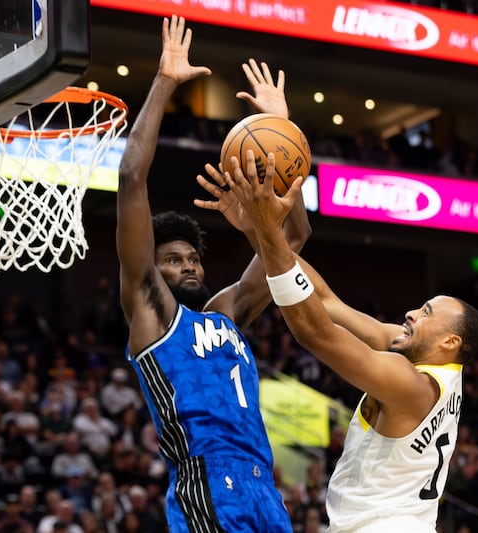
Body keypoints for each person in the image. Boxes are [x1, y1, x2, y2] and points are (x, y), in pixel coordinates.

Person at [221, 150, 478, 532]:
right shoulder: (436, 365)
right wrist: (258, 230)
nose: (411, 313)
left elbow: (315, 332)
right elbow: (326, 302)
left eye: (426, 312)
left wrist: (266, 229)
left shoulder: (410, 383)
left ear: (449, 342)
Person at [115, 15, 309, 533]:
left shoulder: (226, 313)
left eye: (193, 258)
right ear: (152, 271)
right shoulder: (153, 313)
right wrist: (165, 81)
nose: (188, 265)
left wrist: (283, 131)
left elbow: (294, 237)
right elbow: (131, 177)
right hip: (207, 481)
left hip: (264, 488)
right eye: (172, 260)